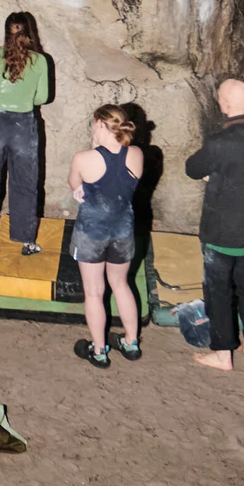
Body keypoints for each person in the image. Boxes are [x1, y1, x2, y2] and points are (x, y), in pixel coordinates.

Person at [185, 78, 244, 371]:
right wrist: (220, 176)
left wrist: (214, 175)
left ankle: (223, 353)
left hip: (221, 229)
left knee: (218, 290)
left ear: (226, 105)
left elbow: (192, 168)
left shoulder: (219, 142)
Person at [67, 105, 145, 368]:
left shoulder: (83, 158)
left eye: (92, 123)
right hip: (123, 231)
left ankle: (99, 350)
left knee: (94, 292)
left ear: (101, 124)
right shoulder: (136, 154)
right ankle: (131, 343)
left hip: (92, 233)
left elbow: (74, 183)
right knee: (121, 285)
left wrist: (79, 187)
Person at [0, 12, 51, 254]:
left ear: (6, 30)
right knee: (25, 182)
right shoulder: (40, 61)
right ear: (30, 32)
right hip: (23, 126)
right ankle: (25, 239)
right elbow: (42, 98)